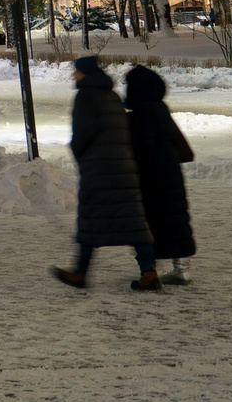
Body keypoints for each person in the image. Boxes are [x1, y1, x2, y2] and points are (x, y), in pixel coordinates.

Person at [53, 55, 160, 291]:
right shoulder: (111, 96)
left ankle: (80, 273)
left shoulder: (85, 97)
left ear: (85, 74)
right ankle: (149, 272)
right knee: (134, 224)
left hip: (99, 171)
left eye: (77, 71)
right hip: (124, 169)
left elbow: (81, 135)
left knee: (90, 221)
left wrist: (79, 155)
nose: (74, 75)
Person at [121, 63, 197, 287]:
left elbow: (141, 149)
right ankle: (181, 269)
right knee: (175, 222)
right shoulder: (161, 109)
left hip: (151, 179)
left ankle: (149, 270)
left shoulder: (141, 114)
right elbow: (183, 148)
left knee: (147, 223)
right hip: (170, 176)